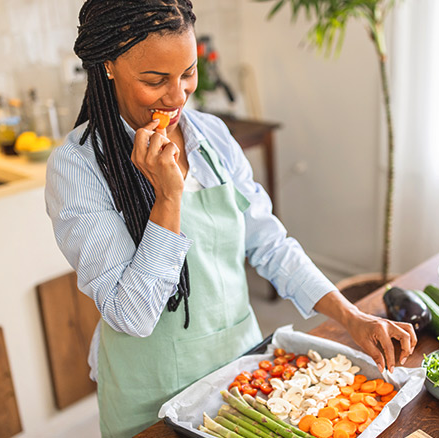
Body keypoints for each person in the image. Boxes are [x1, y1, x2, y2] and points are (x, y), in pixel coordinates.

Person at [45, 1, 417, 437]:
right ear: (108, 66)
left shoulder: (212, 136)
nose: (177, 96)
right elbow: (134, 315)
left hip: (241, 376)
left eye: (188, 73)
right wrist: (168, 198)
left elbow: (269, 244)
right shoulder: (77, 168)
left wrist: (351, 317)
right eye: (155, 80)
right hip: (151, 394)